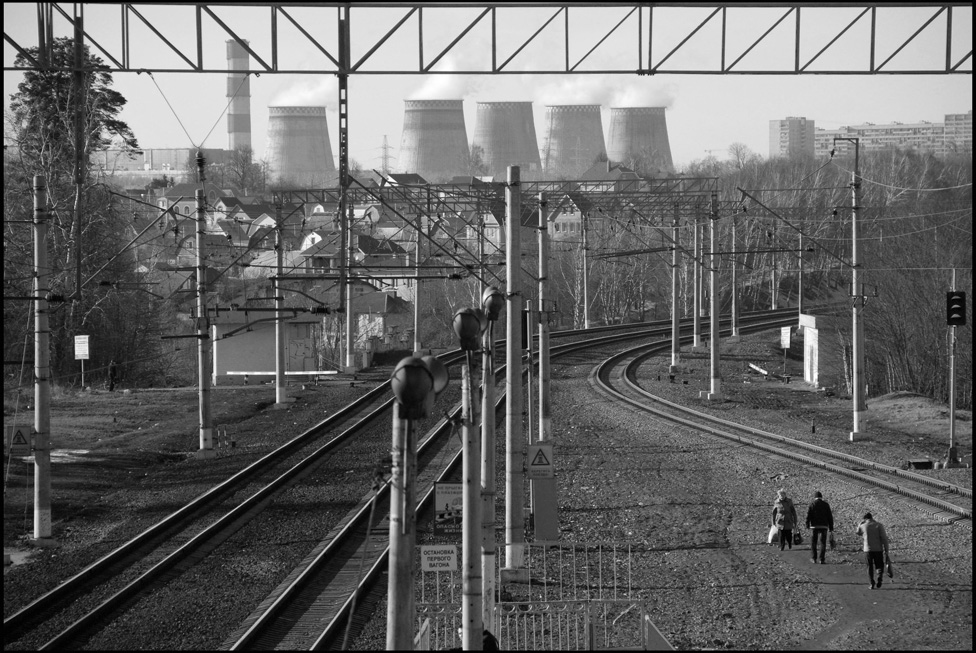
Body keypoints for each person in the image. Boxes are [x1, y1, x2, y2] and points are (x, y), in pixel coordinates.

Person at [855, 512, 890, 589]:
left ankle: (871, 583)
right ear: (872, 518)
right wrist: (886, 550)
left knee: (869, 566)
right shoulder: (879, 525)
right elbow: (884, 538)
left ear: (865, 519)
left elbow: (858, 532)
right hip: (878, 549)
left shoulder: (863, 526)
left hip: (867, 550)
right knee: (879, 565)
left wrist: (860, 524)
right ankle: (879, 578)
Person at [805, 491, 834, 564]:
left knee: (813, 542)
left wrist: (807, 524)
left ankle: (814, 558)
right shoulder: (826, 504)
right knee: (823, 543)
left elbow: (808, 515)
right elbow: (830, 517)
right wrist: (831, 527)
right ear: (821, 497)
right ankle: (822, 559)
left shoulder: (812, 504)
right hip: (824, 526)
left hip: (814, 526)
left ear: (815, 497)